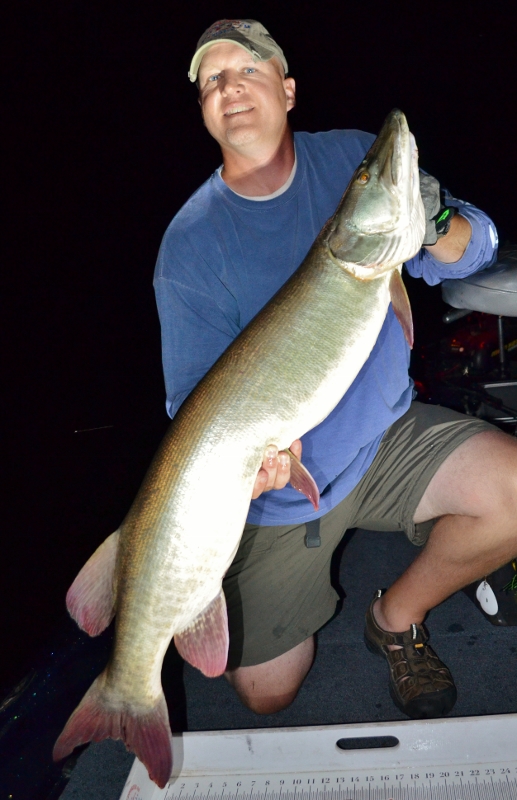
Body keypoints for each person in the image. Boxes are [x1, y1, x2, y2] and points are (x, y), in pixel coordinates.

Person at [154, 19, 514, 720]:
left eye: (248, 70)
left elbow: (475, 252)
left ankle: (395, 618)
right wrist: (247, 468)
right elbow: (192, 402)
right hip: (285, 494)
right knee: (267, 693)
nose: (230, 88)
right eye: (212, 80)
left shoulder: (351, 160)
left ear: (288, 91)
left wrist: (436, 220)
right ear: (202, 108)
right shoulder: (190, 243)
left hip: (383, 440)